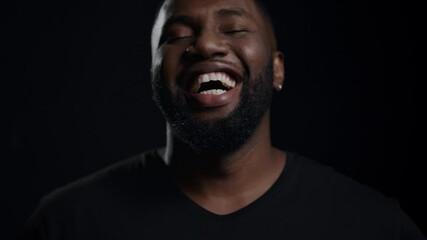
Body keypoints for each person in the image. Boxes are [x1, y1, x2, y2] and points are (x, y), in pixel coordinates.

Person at [20, 0, 425, 239]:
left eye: (233, 28)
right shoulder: (67, 224)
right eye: (177, 34)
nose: (208, 44)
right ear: (154, 73)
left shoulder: (370, 227)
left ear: (278, 69)